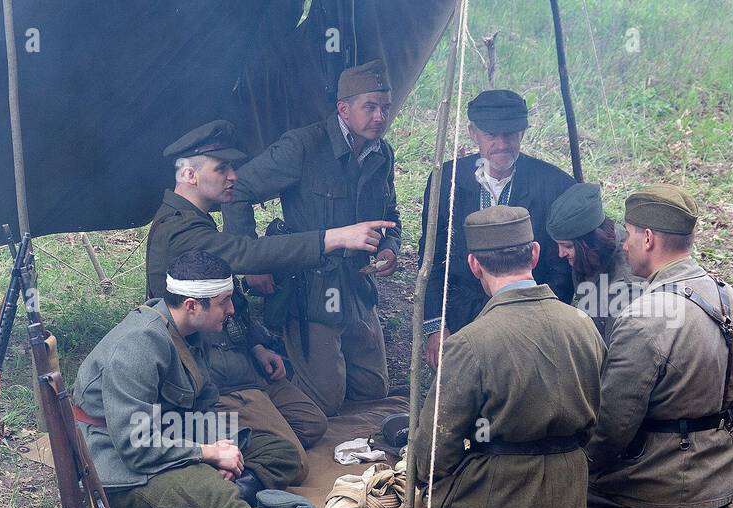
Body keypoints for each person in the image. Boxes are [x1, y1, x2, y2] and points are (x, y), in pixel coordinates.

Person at [72, 250, 370, 508]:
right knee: (211, 492)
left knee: (279, 452)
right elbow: (135, 444)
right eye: (224, 302)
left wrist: (222, 448)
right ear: (191, 305)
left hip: (170, 433)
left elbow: (203, 401)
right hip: (117, 460)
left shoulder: (188, 331)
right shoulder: (138, 344)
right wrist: (206, 454)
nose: (232, 310)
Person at [354, 207, 605, 508]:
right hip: (570, 492)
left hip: (496, 499)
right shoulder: (583, 325)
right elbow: (597, 417)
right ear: (536, 253)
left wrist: (414, 481)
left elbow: (434, 452)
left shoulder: (470, 343)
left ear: (473, 265)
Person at [145, 120, 393, 475]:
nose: (233, 176)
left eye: (232, 167)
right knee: (289, 458)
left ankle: (245, 428)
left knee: (312, 422)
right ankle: (209, 448)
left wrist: (257, 343)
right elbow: (248, 254)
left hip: (233, 354)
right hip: (205, 370)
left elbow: (226, 294)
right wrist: (336, 237)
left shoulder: (193, 219)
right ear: (189, 175)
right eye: (222, 168)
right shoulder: (180, 230)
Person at [583, 186, 733, 508]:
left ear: (648, 238)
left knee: (563, 507)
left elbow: (611, 428)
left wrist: (578, 468)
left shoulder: (645, 315)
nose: (623, 243)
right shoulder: (728, 296)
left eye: (628, 233)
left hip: (665, 480)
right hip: (723, 469)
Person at [222, 59, 401, 417]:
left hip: (357, 290)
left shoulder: (381, 154)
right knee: (325, 402)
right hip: (311, 291)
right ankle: (273, 371)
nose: (380, 116)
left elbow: (391, 217)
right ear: (343, 109)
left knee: (373, 389)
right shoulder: (303, 147)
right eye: (370, 107)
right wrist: (252, 260)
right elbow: (236, 189)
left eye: (384, 107)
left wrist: (389, 249)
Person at [419, 89, 575, 368]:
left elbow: (561, 270)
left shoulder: (555, 186)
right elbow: (432, 259)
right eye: (492, 135)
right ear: (472, 133)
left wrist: (544, 326)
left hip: (529, 322)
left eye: (511, 134)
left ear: (523, 133)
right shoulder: (446, 180)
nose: (502, 144)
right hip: (461, 317)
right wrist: (436, 326)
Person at [546, 182, 636, 338]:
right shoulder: (591, 254)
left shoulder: (624, 283)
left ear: (589, 242)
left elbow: (619, 351)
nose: (561, 253)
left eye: (567, 246)